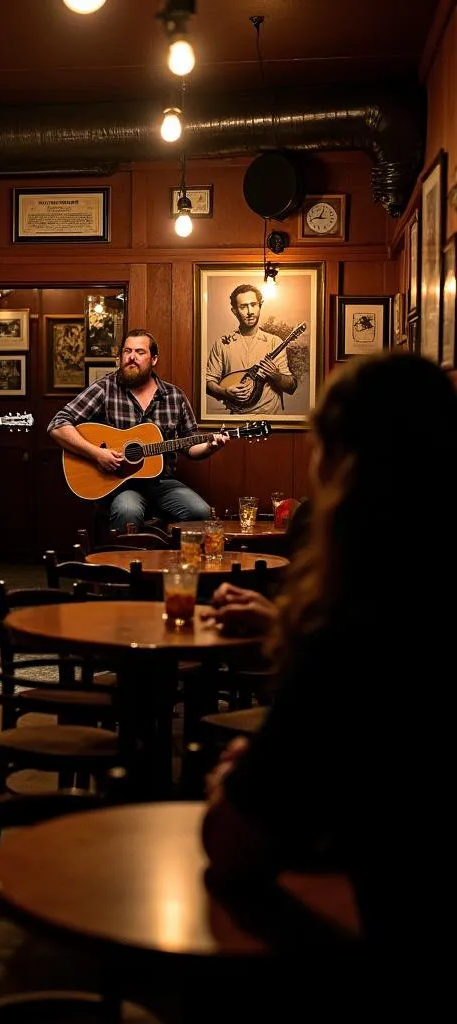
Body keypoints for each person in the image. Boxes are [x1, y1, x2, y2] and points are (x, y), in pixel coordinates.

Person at [201, 352, 456, 1019]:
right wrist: (281, 621)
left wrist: (236, 776)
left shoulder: (346, 637)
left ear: (341, 460)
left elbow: (234, 846)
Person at [47, 327, 228, 531]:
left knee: (201, 513)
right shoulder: (105, 388)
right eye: (127, 351)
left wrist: (210, 447)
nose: (132, 357)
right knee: (128, 511)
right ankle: (125, 562)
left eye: (140, 352)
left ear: (154, 359)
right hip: (121, 483)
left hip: (162, 483)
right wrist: (97, 453)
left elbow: (189, 443)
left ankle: (173, 560)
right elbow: (58, 424)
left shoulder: (174, 396)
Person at [205, 284, 297, 416]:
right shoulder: (222, 344)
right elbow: (208, 383)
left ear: (260, 306)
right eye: (243, 307)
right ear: (234, 311)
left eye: (253, 305)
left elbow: (291, 387)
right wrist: (225, 392)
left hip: (271, 420)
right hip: (236, 422)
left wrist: (275, 375)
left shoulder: (274, 342)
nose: (250, 311)